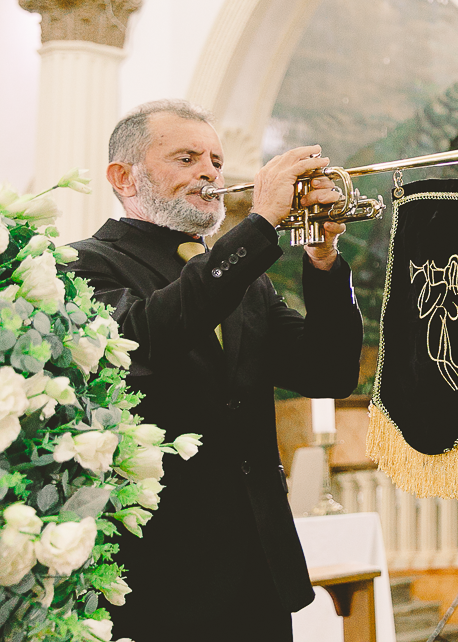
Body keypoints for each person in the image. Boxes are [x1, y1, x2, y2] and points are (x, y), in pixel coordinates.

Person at [68, 99, 364, 641]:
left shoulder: (245, 281)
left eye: (217, 161)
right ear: (123, 176)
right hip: (159, 574)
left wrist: (324, 259)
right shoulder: (83, 265)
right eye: (187, 157)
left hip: (256, 569)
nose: (209, 172)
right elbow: (150, 337)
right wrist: (260, 224)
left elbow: (330, 373)